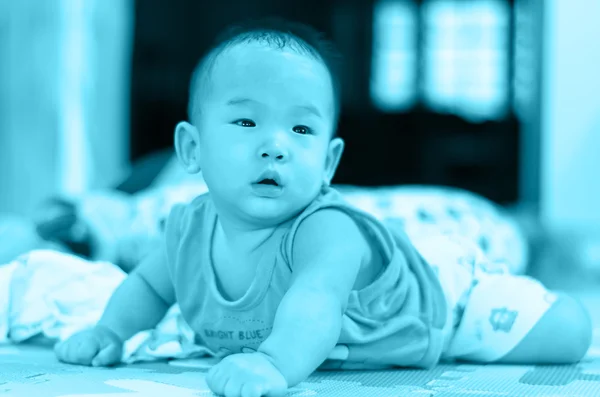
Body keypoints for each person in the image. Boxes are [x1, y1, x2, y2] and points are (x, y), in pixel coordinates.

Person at [54, 17, 593, 397]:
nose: (276, 144)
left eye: (302, 127)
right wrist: (110, 332)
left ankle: (544, 253)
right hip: (385, 298)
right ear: (192, 149)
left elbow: (314, 303)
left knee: (567, 336)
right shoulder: (186, 228)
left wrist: (272, 364)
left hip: (443, 304)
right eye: (246, 122)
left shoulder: (325, 231)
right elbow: (147, 287)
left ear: (329, 162)